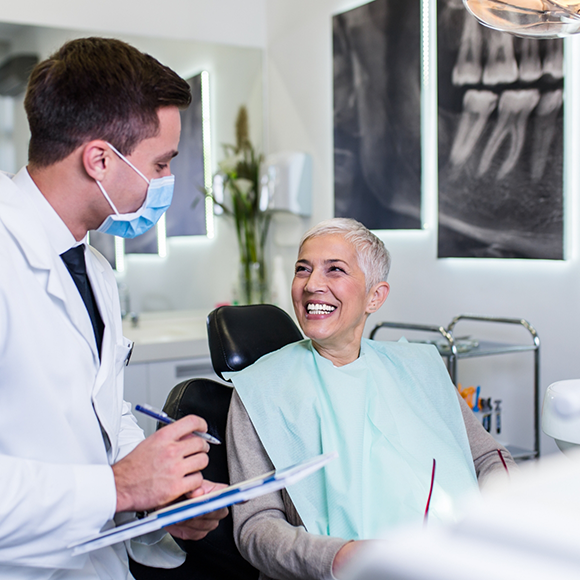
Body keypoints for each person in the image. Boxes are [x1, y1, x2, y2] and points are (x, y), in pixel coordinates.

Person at [0, 37, 227, 579]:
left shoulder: (94, 270)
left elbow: (103, 412)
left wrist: (159, 499)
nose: (167, 181)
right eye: (162, 163)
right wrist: (121, 486)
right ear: (100, 159)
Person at [226, 218, 517, 580]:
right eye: (303, 269)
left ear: (375, 297)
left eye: (335, 270)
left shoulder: (419, 368)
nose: (312, 285)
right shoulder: (260, 390)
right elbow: (255, 526)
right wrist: (340, 557)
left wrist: (505, 512)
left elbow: (488, 457)